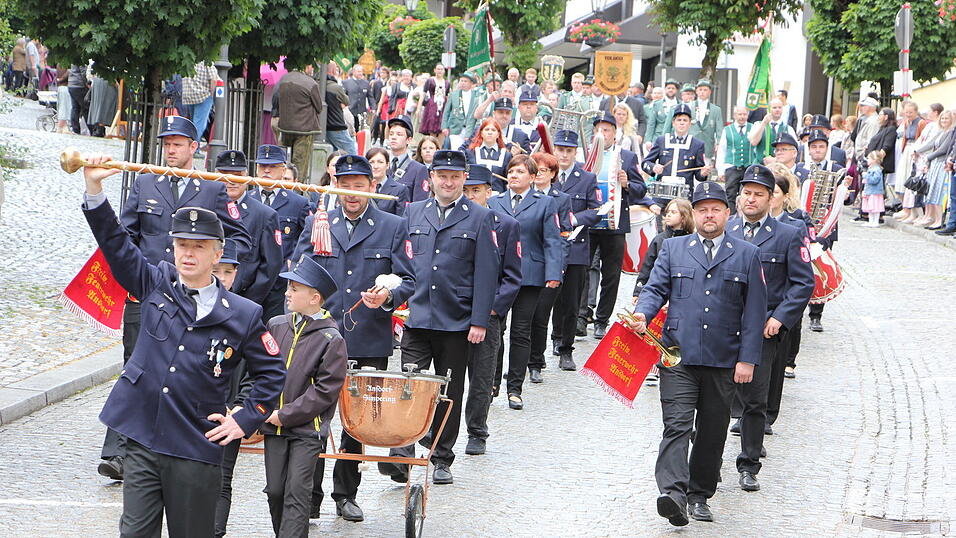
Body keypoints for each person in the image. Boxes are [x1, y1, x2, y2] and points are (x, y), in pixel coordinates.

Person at [81, 157, 285, 536]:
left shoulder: (242, 314)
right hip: (143, 438)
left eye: (199, 246)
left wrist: (244, 419)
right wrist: (95, 191)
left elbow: (272, 373)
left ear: (216, 253)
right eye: (181, 245)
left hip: (195, 446)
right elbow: (117, 245)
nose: (188, 254)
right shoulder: (155, 284)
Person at [97, 117, 253, 481]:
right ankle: (119, 452)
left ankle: (167, 441)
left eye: (179, 143)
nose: (171, 149)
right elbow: (127, 234)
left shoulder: (212, 188)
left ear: (194, 148)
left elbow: (239, 239)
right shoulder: (146, 180)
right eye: (167, 143)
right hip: (149, 291)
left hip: (193, 297)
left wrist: (217, 274)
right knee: (135, 366)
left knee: (178, 370)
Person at [628, 180, 767, 526]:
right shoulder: (674, 249)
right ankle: (672, 494)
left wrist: (747, 359)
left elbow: (754, 312)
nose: (709, 215)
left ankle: (699, 493)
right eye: (702, 209)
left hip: (724, 359)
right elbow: (655, 288)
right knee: (676, 425)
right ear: (695, 214)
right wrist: (644, 312)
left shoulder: (747, 254)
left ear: (727, 213)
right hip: (678, 356)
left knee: (713, 431)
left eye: (715, 209)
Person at [291, 154, 415, 522]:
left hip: (367, 337)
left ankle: (345, 493)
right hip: (317, 337)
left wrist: (388, 297)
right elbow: (298, 270)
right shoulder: (319, 222)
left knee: (356, 422)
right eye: (345, 187)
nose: (352, 194)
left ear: (372, 188)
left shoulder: (392, 225)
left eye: (359, 187)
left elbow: (408, 279)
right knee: (310, 417)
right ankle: (309, 497)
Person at [382, 150, 499, 485]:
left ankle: (441, 455)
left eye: (455, 176)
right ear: (431, 177)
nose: (448, 182)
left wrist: (479, 321)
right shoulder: (413, 211)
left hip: (457, 319)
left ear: (464, 179)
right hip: (417, 316)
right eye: (442, 176)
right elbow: (402, 262)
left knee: (449, 390)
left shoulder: (479, 217)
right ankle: (403, 453)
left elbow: (487, 272)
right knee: (409, 385)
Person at [726, 165, 814, 493]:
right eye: (746, 193)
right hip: (723, 327)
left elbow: (803, 283)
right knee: (717, 397)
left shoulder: (788, 234)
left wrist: (779, 318)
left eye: (758, 194)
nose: (751, 199)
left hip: (763, 329)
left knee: (754, 400)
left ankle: (749, 464)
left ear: (770, 199)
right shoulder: (726, 228)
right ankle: (707, 462)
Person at [260, 256, 347, 537]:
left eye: (294, 288)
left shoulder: (332, 339)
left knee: (297, 493)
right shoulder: (277, 325)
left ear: (314, 298)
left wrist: (284, 414)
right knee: (275, 492)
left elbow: (324, 392)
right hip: (273, 427)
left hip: (307, 430)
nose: (287, 293)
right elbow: (263, 369)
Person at [488, 155, 564, 410]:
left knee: (521, 332)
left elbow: (553, 240)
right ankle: (491, 383)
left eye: (520, 171)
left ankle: (515, 389)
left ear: (532, 177)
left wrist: (554, 273)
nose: (513, 175)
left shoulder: (545, 203)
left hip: (530, 275)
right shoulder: (493, 202)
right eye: (511, 171)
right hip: (498, 275)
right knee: (494, 331)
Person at [461, 164, 522, 455]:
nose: (471, 196)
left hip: (487, 315)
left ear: (488, 192)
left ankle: (477, 431)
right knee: (450, 374)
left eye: (476, 190)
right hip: (455, 311)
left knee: (482, 376)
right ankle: (440, 429)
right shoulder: (453, 220)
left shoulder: (506, 225)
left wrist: (494, 310)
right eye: (467, 190)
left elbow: (512, 276)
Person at [581, 113, 648, 340]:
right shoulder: (585, 155)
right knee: (583, 270)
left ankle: (602, 319)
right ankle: (581, 317)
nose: (602, 134)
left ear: (615, 133)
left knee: (611, 275)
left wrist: (627, 183)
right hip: (589, 223)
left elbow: (641, 189)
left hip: (615, 223)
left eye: (607, 130)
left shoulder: (626, 157)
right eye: (598, 130)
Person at [550, 130, 603, 370]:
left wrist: (570, 219)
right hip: (550, 247)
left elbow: (596, 211)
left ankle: (566, 349)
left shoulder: (587, 178)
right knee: (550, 299)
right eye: (560, 150)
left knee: (572, 301)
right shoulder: (548, 174)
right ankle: (553, 338)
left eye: (568, 151)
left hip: (576, 247)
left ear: (575, 153)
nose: (563, 155)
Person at [630, 198, 695, 386]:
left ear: (684, 217)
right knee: (654, 332)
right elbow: (647, 267)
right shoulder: (659, 240)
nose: (667, 215)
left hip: (679, 296)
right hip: (658, 293)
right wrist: (638, 291)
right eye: (667, 212)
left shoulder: (691, 240)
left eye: (673, 212)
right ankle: (651, 367)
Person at [247, 145, 313, 321]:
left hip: (280, 284)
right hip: (249, 281)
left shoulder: (298, 203)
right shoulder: (247, 200)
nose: (266, 170)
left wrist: (294, 264)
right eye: (262, 166)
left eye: (273, 166)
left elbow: (305, 240)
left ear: (283, 169)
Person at [527, 152, 572, 384]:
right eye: (535, 170)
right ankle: (521, 360)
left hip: (548, 264)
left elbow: (564, 234)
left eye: (543, 171)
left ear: (552, 174)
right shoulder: (525, 196)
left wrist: (558, 266)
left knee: (540, 316)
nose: (538, 175)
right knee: (522, 319)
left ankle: (535, 361)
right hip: (526, 264)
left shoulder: (560, 200)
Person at [215, 150, 282, 305]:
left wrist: (246, 303)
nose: (231, 181)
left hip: (244, 299)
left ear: (246, 177)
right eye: (225, 175)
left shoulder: (264, 215)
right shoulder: (204, 207)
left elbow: (270, 267)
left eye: (237, 175)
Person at [642, 103, 709, 205]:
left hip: (684, 198)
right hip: (661, 196)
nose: (682, 123)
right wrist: (654, 167)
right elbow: (645, 163)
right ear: (673, 123)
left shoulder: (697, 144)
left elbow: (698, 174)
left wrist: (703, 173)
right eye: (679, 120)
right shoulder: (662, 141)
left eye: (685, 120)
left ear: (690, 123)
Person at [276, 66, 323, 177]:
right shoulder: (310, 83)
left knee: (283, 162)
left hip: (285, 127)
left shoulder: (284, 79)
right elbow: (319, 107)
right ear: (306, 67)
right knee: (300, 166)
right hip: (304, 129)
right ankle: (296, 190)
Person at [717, 105, 764, 205]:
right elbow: (722, 150)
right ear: (735, 115)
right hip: (732, 167)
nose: (742, 117)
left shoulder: (753, 127)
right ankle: (731, 218)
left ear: (748, 115)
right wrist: (720, 170)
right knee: (730, 194)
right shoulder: (727, 130)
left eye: (744, 114)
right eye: (739, 114)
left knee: (747, 194)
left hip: (749, 168)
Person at [920, 110, 955, 229]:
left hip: (941, 164)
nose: (944, 121)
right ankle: (935, 218)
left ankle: (940, 220)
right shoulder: (941, 131)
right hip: (934, 163)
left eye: (946, 118)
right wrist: (919, 151)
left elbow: (943, 149)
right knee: (932, 191)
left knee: (940, 192)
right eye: (942, 118)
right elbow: (931, 144)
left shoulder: (950, 132)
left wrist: (928, 157)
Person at [386, 115, 431, 201]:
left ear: (409, 140)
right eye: (391, 134)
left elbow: (419, 203)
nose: (393, 137)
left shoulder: (418, 169)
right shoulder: (380, 164)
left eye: (399, 134)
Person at [464, 118, 512, 191]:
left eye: (493, 130)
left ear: (498, 134)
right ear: (481, 133)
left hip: (498, 196)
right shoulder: (470, 153)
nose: (490, 132)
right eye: (487, 129)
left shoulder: (506, 155)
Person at [363, 147, 410, 215]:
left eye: (380, 162)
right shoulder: (361, 188)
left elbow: (402, 219)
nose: (375, 166)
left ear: (387, 165)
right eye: (371, 162)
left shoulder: (400, 190)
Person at [441, 73, 482, 149]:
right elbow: (446, 112)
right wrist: (444, 127)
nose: (463, 83)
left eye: (465, 81)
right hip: (455, 129)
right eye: (461, 81)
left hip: (470, 129)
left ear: (471, 83)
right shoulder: (453, 95)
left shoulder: (476, 95)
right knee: (456, 150)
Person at [181, 62, 219, 142]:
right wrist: (212, 95)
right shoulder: (207, 60)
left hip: (189, 94)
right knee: (199, 124)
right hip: (203, 95)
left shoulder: (189, 59)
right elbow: (214, 79)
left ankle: (192, 146)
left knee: (192, 123)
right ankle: (194, 148)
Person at [689, 79, 724, 166]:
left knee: (704, 168)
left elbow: (719, 128)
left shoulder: (716, 109)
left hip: (707, 143)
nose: (702, 92)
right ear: (696, 91)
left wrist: (719, 142)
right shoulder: (689, 106)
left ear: (710, 92)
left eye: (705, 90)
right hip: (691, 142)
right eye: (700, 89)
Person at [324, 66, 357, 154]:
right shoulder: (335, 87)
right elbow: (347, 101)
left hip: (324, 125)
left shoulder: (318, 85)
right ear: (333, 72)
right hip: (336, 124)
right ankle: (355, 167)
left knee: (332, 152)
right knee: (351, 149)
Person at [645, 79, 680, 147]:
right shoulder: (657, 104)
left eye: (673, 88)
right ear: (665, 89)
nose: (670, 90)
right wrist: (648, 140)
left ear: (676, 90)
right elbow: (651, 123)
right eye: (668, 88)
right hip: (658, 137)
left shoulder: (680, 104)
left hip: (675, 138)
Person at [343, 65, 375, 132]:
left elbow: (370, 96)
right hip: (350, 111)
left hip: (361, 112)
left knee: (360, 131)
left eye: (361, 71)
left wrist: (373, 107)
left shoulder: (366, 83)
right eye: (358, 71)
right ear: (354, 72)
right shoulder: (346, 83)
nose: (360, 73)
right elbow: (343, 96)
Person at [419, 63, 448, 136]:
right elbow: (423, 94)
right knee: (432, 125)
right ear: (435, 70)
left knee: (442, 126)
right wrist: (418, 108)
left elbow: (447, 96)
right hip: (432, 105)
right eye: (438, 69)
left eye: (441, 69)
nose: (440, 71)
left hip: (443, 106)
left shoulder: (447, 83)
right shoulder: (430, 81)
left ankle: (439, 145)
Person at [861, 150, 886, 227]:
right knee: (870, 208)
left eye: (869, 158)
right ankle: (871, 221)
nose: (867, 160)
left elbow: (874, 180)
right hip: (870, 191)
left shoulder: (876, 170)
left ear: (874, 160)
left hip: (875, 192)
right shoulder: (871, 168)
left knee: (875, 207)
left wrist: (866, 176)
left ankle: (875, 221)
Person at [67, 63, 89, 135]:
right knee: (85, 107)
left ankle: (75, 129)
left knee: (75, 107)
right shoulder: (81, 58)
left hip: (71, 84)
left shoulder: (74, 57)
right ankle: (91, 129)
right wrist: (87, 83)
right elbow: (83, 72)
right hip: (79, 85)